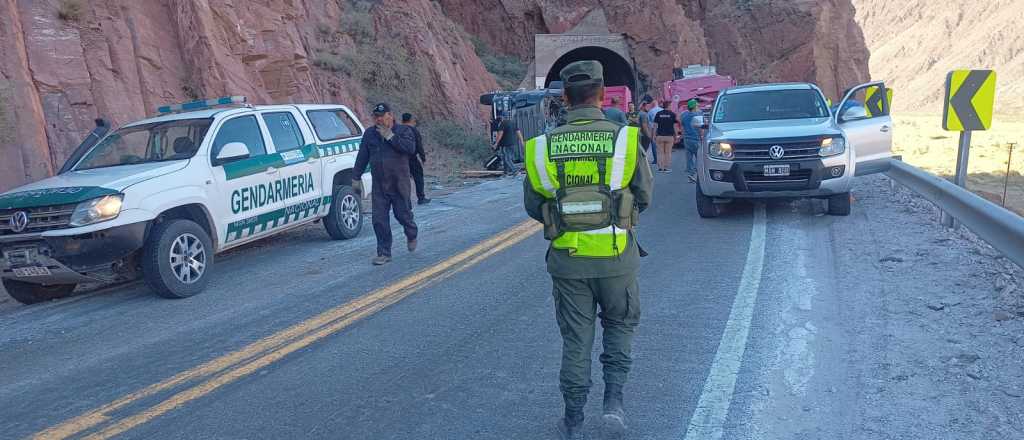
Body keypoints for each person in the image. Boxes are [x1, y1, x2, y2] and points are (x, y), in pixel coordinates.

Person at [523, 60, 654, 440]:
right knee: (620, 327)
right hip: (617, 258)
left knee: (576, 340)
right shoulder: (624, 139)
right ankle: (613, 404)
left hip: (568, 262)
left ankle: (573, 419)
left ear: (564, 98)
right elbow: (644, 196)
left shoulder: (541, 147)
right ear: (601, 95)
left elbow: (533, 206)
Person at [353, 103, 419, 265]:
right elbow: (362, 156)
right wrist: (355, 177)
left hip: (399, 183)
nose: (378, 120)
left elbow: (410, 149)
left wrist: (390, 136)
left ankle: (411, 234)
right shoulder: (370, 134)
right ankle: (384, 253)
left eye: (381, 116)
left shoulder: (404, 131)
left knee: (403, 215)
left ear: (390, 115)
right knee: (379, 219)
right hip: (380, 185)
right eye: (376, 117)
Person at [401, 113, 430, 205]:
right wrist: (423, 158)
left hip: (400, 159)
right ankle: (421, 198)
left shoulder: (398, 130)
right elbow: (419, 146)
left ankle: (405, 201)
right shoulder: (413, 130)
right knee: (418, 177)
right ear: (410, 120)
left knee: (403, 180)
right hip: (412, 158)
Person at [678, 99, 704, 182]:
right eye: (697, 105)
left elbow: (681, 126)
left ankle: (690, 173)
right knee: (699, 157)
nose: (698, 107)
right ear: (694, 107)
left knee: (689, 158)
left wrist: (682, 136)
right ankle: (695, 173)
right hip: (696, 138)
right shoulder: (698, 115)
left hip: (687, 138)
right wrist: (702, 136)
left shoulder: (683, 115)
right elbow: (701, 128)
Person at [652, 100, 679, 172]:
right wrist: (676, 136)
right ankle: (666, 168)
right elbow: (675, 126)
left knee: (660, 152)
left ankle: (660, 168)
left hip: (660, 136)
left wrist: (654, 135)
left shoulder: (658, 114)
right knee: (668, 152)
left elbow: (655, 126)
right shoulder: (672, 114)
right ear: (668, 106)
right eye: (670, 105)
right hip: (669, 136)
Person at [645, 98, 662, 165]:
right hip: (661, 129)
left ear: (653, 104)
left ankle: (656, 160)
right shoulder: (662, 110)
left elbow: (648, 122)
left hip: (653, 130)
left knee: (654, 144)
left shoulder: (650, 112)